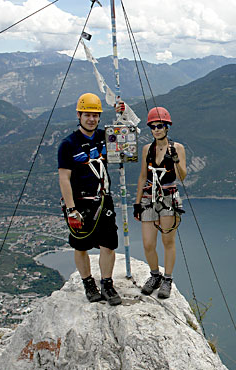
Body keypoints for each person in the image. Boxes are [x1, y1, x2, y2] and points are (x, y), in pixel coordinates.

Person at [57, 93, 122, 306]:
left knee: (108, 244)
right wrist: (70, 209)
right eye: (87, 115)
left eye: (95, 115)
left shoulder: (105, 137)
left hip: (103, 198)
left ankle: (107, 283)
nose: (91, 119)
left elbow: (127, 137)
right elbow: (64, 178)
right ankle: (88, 283)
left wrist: (122, 114)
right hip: (81, 202)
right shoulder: (69, 144)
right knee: (81, 245)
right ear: (79, 115)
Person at [133, 106, 187, 299]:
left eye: (160, 126)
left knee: (167, 241)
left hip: (168, 197)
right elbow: (142, 177)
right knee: (148, 243)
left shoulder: (177, 148)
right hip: (149, 197)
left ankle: (167, 279)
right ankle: (155, 275)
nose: (156, 130)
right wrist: (137, 202)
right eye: (153, 127)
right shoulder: (147, 150)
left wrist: (176, 161)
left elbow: (182, 176)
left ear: (167, 127)